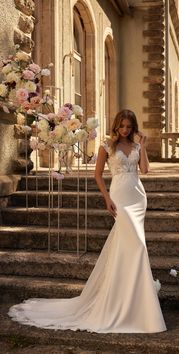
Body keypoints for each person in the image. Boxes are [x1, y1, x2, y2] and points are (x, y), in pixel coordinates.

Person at [8, 109, 166, 333]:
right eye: (122, 126)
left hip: (138, 198)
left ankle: (135, 304)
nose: (125, 130)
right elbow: (98, 175)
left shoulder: (137, 146)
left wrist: (144, 145)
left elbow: (145, 170)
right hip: (119, 196)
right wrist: (107, 198)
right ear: (116, 126)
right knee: (137, 246)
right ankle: (125, 303)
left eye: (129, 127)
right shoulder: (106, 146)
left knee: (132, 248)